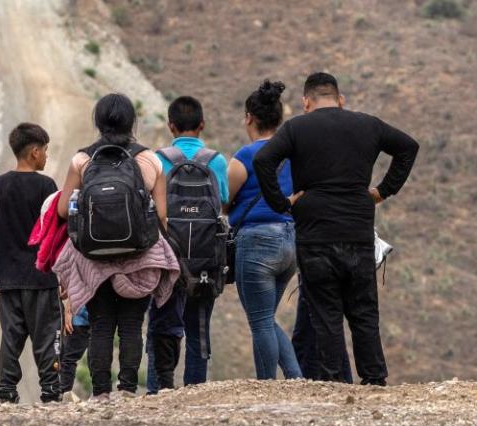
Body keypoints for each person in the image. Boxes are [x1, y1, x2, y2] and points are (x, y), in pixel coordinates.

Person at [253, 72, 418, 385]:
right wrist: (382, 191)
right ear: (340, 99)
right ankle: (374, 380)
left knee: (326, 315)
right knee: (364, 312)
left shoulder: (297, 127)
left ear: (306, 102)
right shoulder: (368, 124)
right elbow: (408, 147)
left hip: (315, 236)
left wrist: (282, 204)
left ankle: (334, 385)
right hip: (357, 231)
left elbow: (263, 160)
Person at [52, 93, 180, 401]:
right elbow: (162, 215)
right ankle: (126, 389)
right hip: (139, 256)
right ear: (130, 122)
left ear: (97, 122)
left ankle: (101, 393)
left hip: (95, 259)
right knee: (132, 326)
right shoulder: (149, 160)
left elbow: (60, 211)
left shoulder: (83, 160)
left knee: (100, 326)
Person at [147, 96, 230, 390]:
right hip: (205, 261)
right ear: (202, 124)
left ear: (170, 126)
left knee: (160, 326)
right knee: (198, 331)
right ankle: (194, 393)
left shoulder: (157, 160)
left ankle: (157, 392)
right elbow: (222, 205)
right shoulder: (216, 161)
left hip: (165, 260)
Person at [227, 80, 301, 380]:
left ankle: (267, 385)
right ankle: (296, 377)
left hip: (256, 242)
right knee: (266, 318)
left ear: (249, 118)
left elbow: (224, 200)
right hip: (290, 241)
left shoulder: (244, 157)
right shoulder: (294, 157)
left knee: (259, 321)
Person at [0, 123, 62, 403]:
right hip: (42, 279)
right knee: (47, 336)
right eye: (45, 151)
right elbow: (54, 235)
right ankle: (51, 389)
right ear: (33, 152)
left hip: (9, 278)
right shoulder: (47, 186)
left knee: (11, 336)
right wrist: (62, 276)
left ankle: (6, 390)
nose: (46, 156)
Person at [59, 305, 90, 399]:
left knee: (68, 358)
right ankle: (101, 393)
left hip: (80, 317)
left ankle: (64, 393)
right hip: (101, 318)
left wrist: (69, 309)